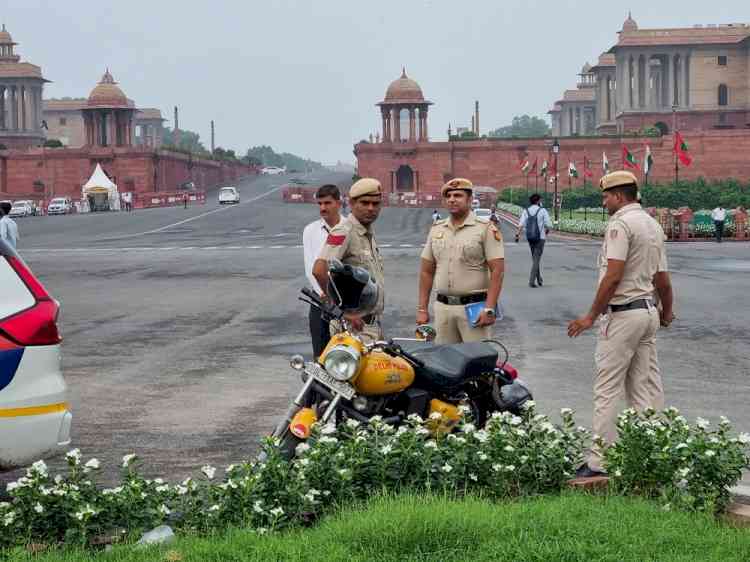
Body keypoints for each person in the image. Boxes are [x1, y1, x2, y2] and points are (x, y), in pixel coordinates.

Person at [568, 171, 675, 478]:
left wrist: (590, 316)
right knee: (646, 388)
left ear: (618, 195)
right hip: (647, 313)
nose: (604, 202)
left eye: (606, 196)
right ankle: (652, 454)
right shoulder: (652, 224)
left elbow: (613, 275)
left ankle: (600, 462)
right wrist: (667, 312)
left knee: (608, 388)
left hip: (623, 315)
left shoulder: (621, 224)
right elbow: (662, 280)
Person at [417, 178, 505, 344]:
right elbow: (426, 271)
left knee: (476, 362)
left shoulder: (485, 228)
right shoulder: (437, 230)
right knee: (445, 362)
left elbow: (497, 271)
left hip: (474, 309)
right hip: (443, 308)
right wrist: (422, 308)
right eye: (448, 196)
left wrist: (490, 308)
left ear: (470, 200)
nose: (452, 199)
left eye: (458, 195)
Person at [313, 178, 385, 340]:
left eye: (376, 203)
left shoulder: (367, 233)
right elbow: (319, 270)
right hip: (354, 327)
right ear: (351, 204)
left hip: (371, 324)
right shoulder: (344, 231)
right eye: (365, 203)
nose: (371, 208)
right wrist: (343, 312)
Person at [302, 184, 343, 358]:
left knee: (348, 355)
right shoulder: (310, 231)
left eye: (327, 203)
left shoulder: (350, 228)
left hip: (347, 302)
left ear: (338, 203)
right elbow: (310, 267)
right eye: (319, 204)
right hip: (320, 300)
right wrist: (325, 296)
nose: (323, 208)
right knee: (321, 355)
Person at [515, 194, 553, 288]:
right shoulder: (542, 210)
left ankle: (539, 278)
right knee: (536, 259)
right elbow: (549, 224)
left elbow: (521, 224)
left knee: (535, 258)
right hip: (540, 238)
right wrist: (546, 231)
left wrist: (517, 235)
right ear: (538, 201)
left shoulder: (526, 211)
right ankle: (531, 281)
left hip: (530, 238)